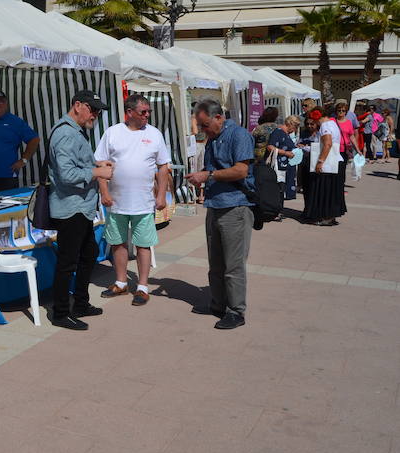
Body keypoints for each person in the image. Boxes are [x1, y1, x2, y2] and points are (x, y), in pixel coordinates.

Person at [95, 94, 171, 306]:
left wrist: (161, 194)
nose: (147, 116)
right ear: (129, 112)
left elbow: (163, 166)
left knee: (143, 245)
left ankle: (143, 287)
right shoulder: (112, 133)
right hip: (116, 201)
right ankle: (120, 283)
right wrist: (104, 192)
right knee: (118, 243)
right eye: (143, 112)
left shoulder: (154, 134)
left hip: (144, 202)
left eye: (148, 112)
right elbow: (101, 165)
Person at [47, 90, 114, 330]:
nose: (95, 115)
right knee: (67, 262)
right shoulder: (66, 134)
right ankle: (61, 313)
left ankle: (82, 303)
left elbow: (75, 164)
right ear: (78, 105)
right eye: (93, 109)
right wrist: (98, 172)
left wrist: (94, 164)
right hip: (71, 207)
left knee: (88, 254)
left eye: (97, 111)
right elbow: (66, 175)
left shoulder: (74, 131)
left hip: (80, 207)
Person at [186, 99, 255, 330]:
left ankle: (236, 311)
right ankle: (217, 303)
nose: (203, 130)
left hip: (235, 207)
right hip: (215, 205)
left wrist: (208, 176)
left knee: (233, 265)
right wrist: (201, 177)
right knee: (215, 262)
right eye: (200, 126)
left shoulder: (239, 135)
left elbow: (241, 170)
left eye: (205, 125)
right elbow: (211, 170)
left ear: (218, 117)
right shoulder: (212, 139)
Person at [0, 90, 40, 193]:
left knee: (7, 207)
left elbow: (34, 139)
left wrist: (24, 160)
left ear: (6, 104)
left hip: (7, 176)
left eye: (0, 101)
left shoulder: (15, 122)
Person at [302, 106, 346, 226]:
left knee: (325, 190)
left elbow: (327, 144)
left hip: (328, 163)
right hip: (335, 161)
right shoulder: (333, 123)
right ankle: (329, 216)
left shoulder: (326, 126)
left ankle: (326, 216)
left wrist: (320, 161)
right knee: (330, 190)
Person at [267, 115, 301, 204]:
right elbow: (270, 147)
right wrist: (286, 153)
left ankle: (279, 210)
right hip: (279, 166)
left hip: (286, 166)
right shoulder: (278, 132)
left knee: (281, 190)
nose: (295, 129)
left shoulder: (286, 134)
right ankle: (276, 211)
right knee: (279, 189)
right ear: (290, 124)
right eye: (295, 126)